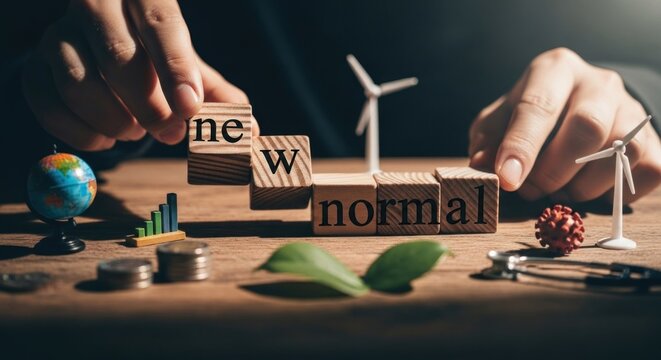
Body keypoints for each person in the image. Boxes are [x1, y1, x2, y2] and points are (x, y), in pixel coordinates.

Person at [6, 0, 661, 204]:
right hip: (173, 174)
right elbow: (32, 65)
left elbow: (638, 49)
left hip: (505, 188)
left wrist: (631, 94)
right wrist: (59, 85)